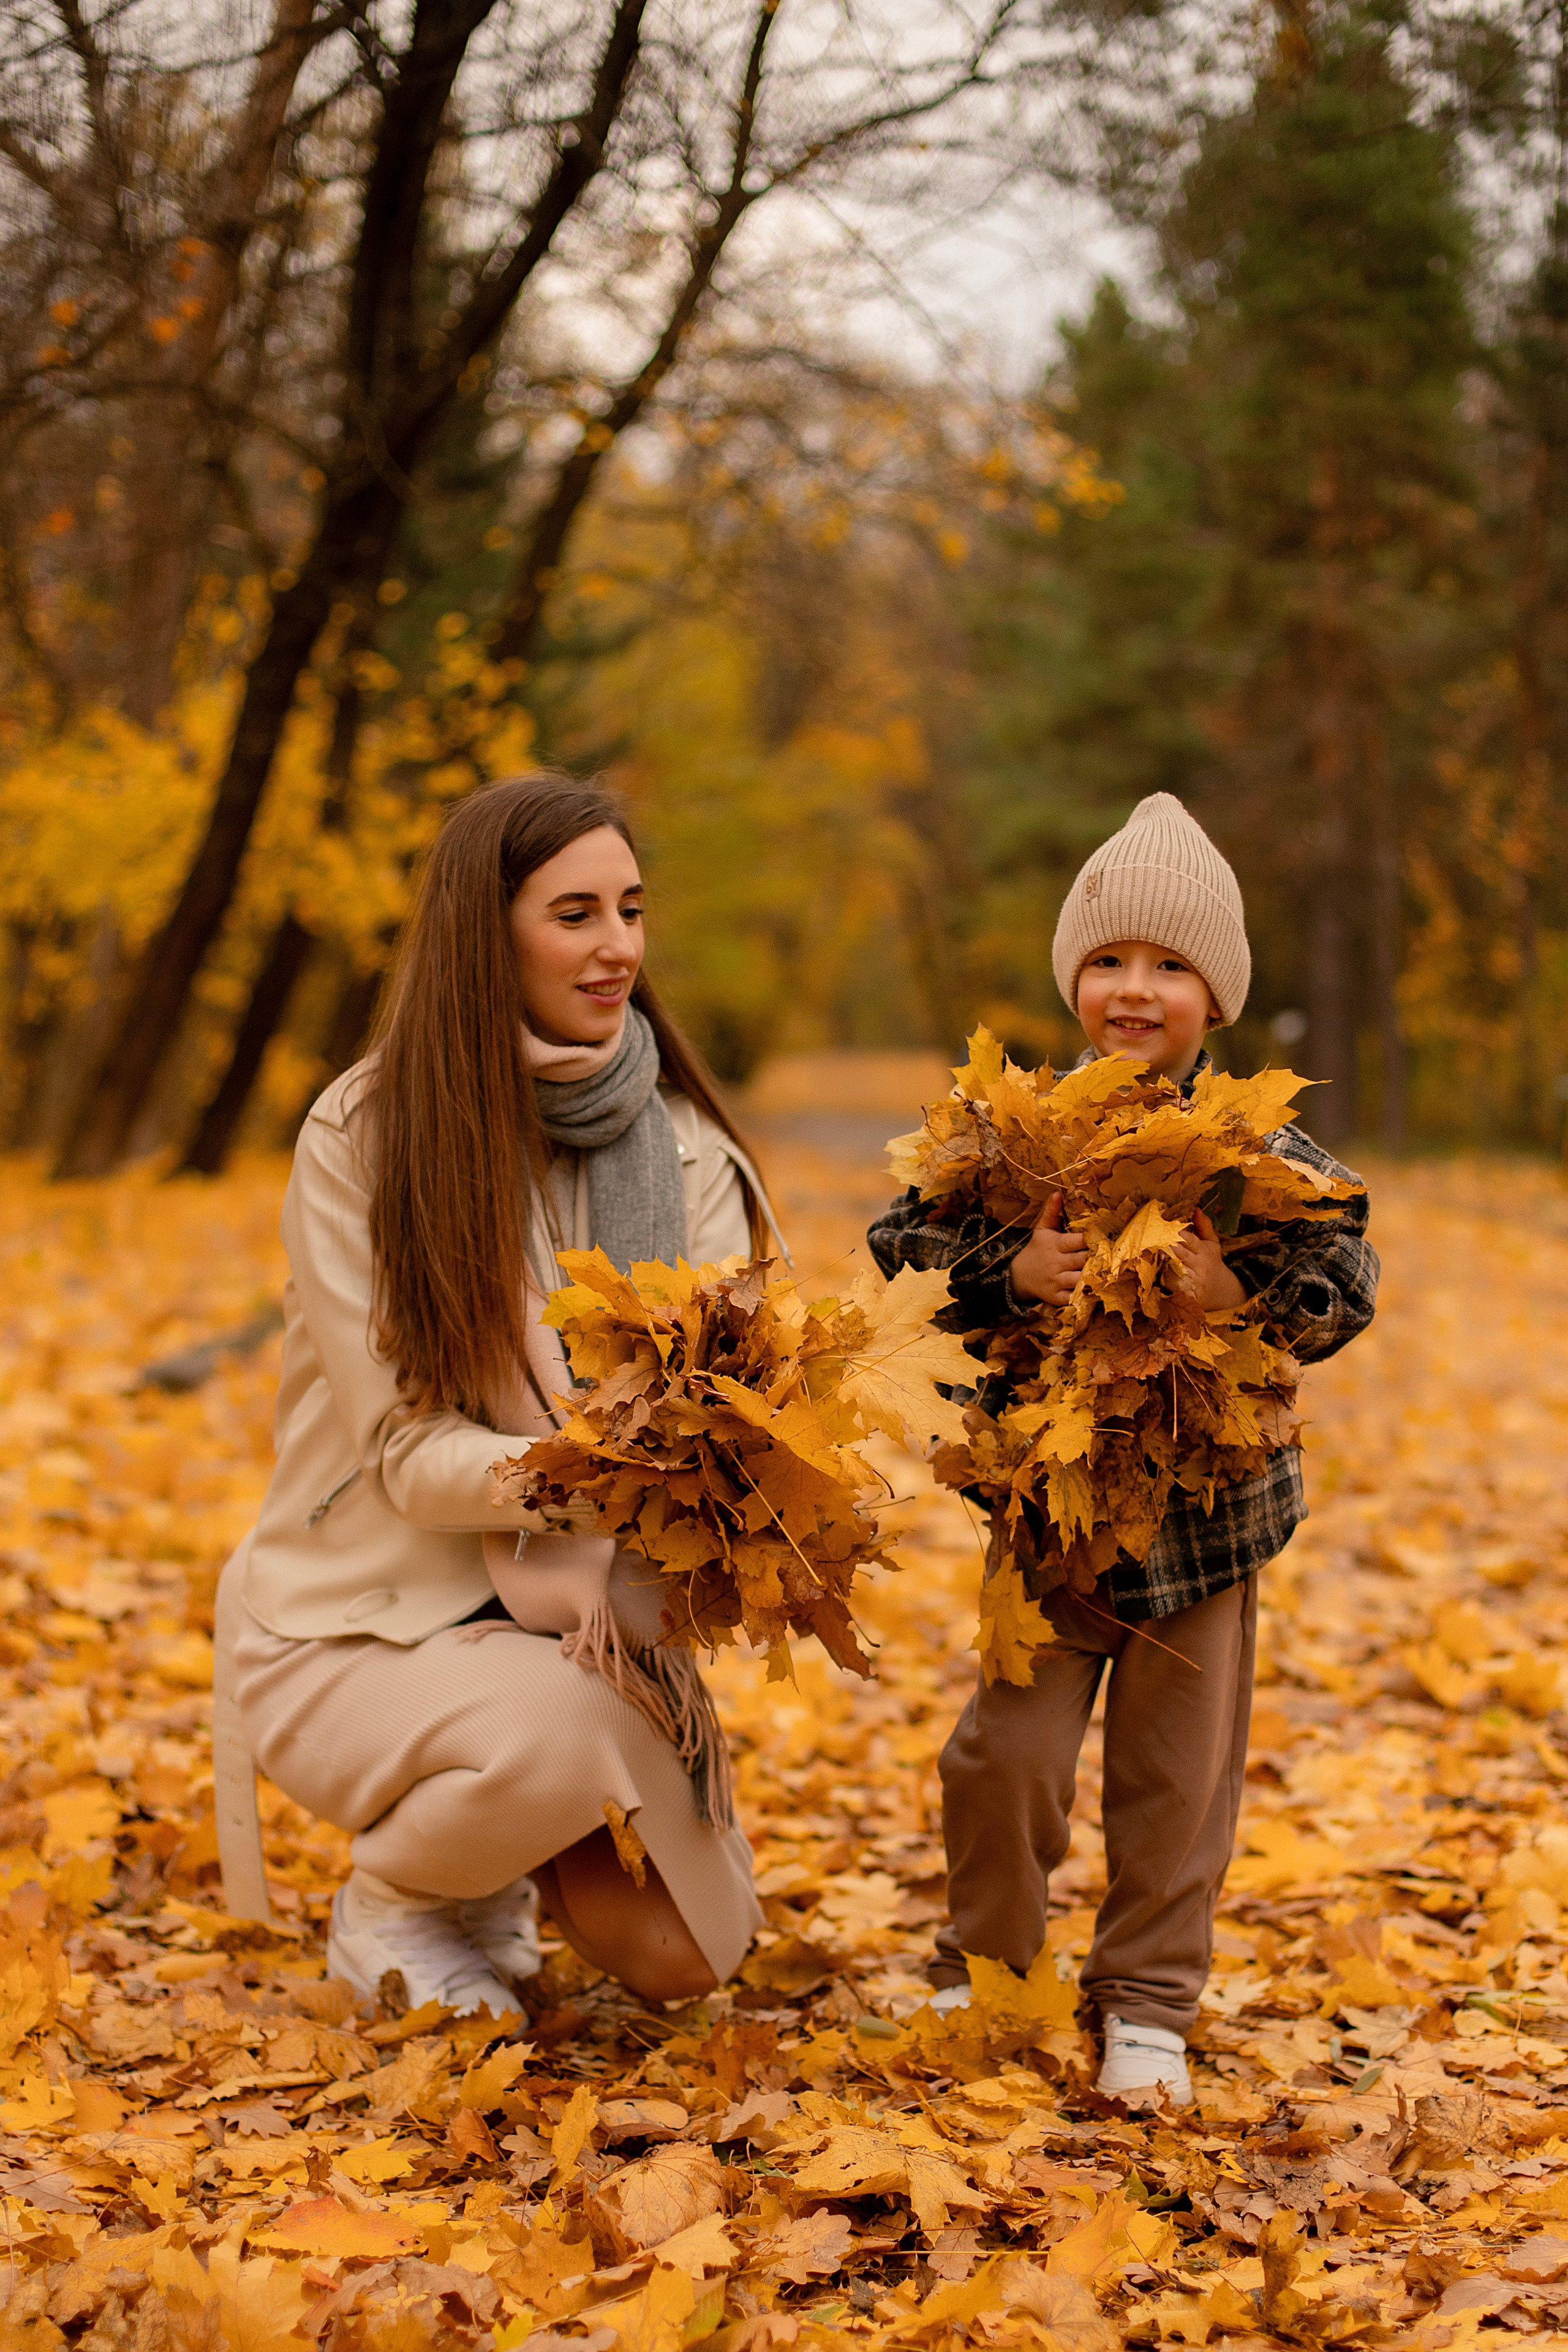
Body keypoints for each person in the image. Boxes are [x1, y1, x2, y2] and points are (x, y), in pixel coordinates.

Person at [225, 773, 771, 2015]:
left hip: (583, 1617)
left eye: (630, 909)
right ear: (487, 930)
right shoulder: (367, 1135)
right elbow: (406, 1455)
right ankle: (401, 1900)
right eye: (575, 914)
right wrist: (595, 1461)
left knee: (689, 1961)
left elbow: (733, 1401)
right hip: (359, 1621)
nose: (618, 946)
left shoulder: (683, 1147)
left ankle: (491, 1865)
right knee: (559, 1733)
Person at [867, 793, 1378, 2105]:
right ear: (1071, 981)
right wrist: (1006, 1267)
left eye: (1167, 966)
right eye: (1107, 961)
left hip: (1206, 1519)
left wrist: (1243, 1299)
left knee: (1173, 1777)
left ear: (1215, 996)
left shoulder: (1263, 1150)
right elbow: (899, 1251)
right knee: (1005, 1758)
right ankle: (984, 1958)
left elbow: (1346, 1274)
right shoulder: (1013, 1134)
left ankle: (1146, 1994)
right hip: (1045, 1510)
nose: (1132, 989)